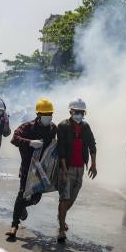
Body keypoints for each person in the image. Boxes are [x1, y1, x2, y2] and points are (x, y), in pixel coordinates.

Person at [5, 99, 57, 241]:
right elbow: (14, 138)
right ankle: (14, 226)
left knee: (35, 198)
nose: (48, 117)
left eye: (50, 114)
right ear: (38, 115)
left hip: (42, 171)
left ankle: (22, 207)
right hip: (27, 168)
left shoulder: (53, 129)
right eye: (45, 114)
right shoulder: (28, 127)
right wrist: (29, 143)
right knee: (22, 194)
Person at [57, 98, 97, 243]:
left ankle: (61, 217)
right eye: (76, 112)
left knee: (71, 199)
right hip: (66, 168)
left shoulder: (86, 127)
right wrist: (63, 169)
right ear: (71, 112)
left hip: (80, 168)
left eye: (81, 112)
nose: (79, 115)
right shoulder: (63, 126)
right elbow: (60, 149)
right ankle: (61, 230)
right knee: (65, 197)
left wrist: (93, 165)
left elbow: (92, 145)